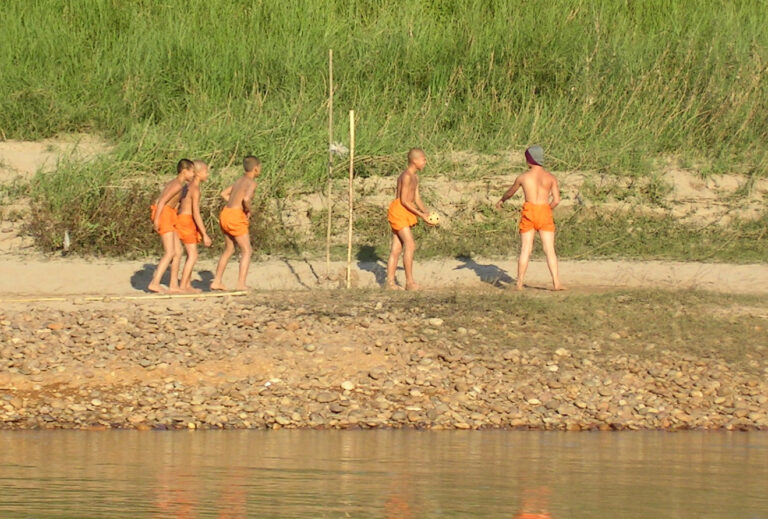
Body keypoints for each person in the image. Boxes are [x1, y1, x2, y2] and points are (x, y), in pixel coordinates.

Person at [496, 145, 564, 291]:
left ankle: (519, 283)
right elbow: (557, 200)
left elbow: (510, 192)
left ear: (530, 160)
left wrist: (502, 200)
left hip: (529, 211)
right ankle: (556, 282)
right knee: (549, 249)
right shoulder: (551, 178)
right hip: (544, 210)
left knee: (526, 248)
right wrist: (547, 209)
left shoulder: (523, 177)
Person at [385, 148, 434, 290]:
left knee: (396, 248)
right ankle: (409, 282)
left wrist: (427, 214)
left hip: (406, 212)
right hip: (399, 211)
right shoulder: (406, 176)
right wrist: (421, 215)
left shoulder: (415, 177)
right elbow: (404, 201)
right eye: (423, 159)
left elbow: (416, 198)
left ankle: (389, 283)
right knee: (410, 244)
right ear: (415, 160)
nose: (425, 162)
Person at [210, 155, 260, 291]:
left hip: (226, 213)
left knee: (229, 249)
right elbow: (246, 198)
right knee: (247, 250)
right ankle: (241, 284)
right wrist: (248, 210)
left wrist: (233, 203)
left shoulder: (239, 180)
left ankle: (217, 281)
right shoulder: (251, 182)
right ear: (256, 169)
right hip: (236, 216)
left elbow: (223, 194)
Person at [148, 158, 195, 293]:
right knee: (170, 252)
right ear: (184, 171)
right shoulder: (176, 185)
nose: (193, 175)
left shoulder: (181, 185)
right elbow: (161, 201)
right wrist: (156, 220)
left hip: (171, 215)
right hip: (164, 214)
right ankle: (154, 282)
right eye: (192, 172)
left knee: (178, 251)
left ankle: (173, 285)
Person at [175, 160, 213, 293]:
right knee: (193, 254)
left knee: (190, 253)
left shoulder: (187, 186)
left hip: (181, 219)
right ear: (198, 173)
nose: (207, 175)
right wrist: (204, 234)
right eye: (206, 171)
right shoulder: (195, 189)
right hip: (187, 220)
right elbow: (196, 213)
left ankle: (187, 284)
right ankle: (183, 285)